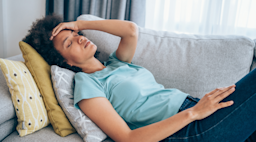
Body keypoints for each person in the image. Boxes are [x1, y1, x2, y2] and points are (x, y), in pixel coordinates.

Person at [23, 14, 256, 142]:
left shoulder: (116, 63)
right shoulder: (87, 85)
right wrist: (194, 113)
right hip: (187, 129)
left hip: (197, 108)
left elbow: (131, 30)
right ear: (66, 63)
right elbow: (127, 138)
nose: (79, 37)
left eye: (76, 34)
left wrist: (79, 23)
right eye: (69, 42)